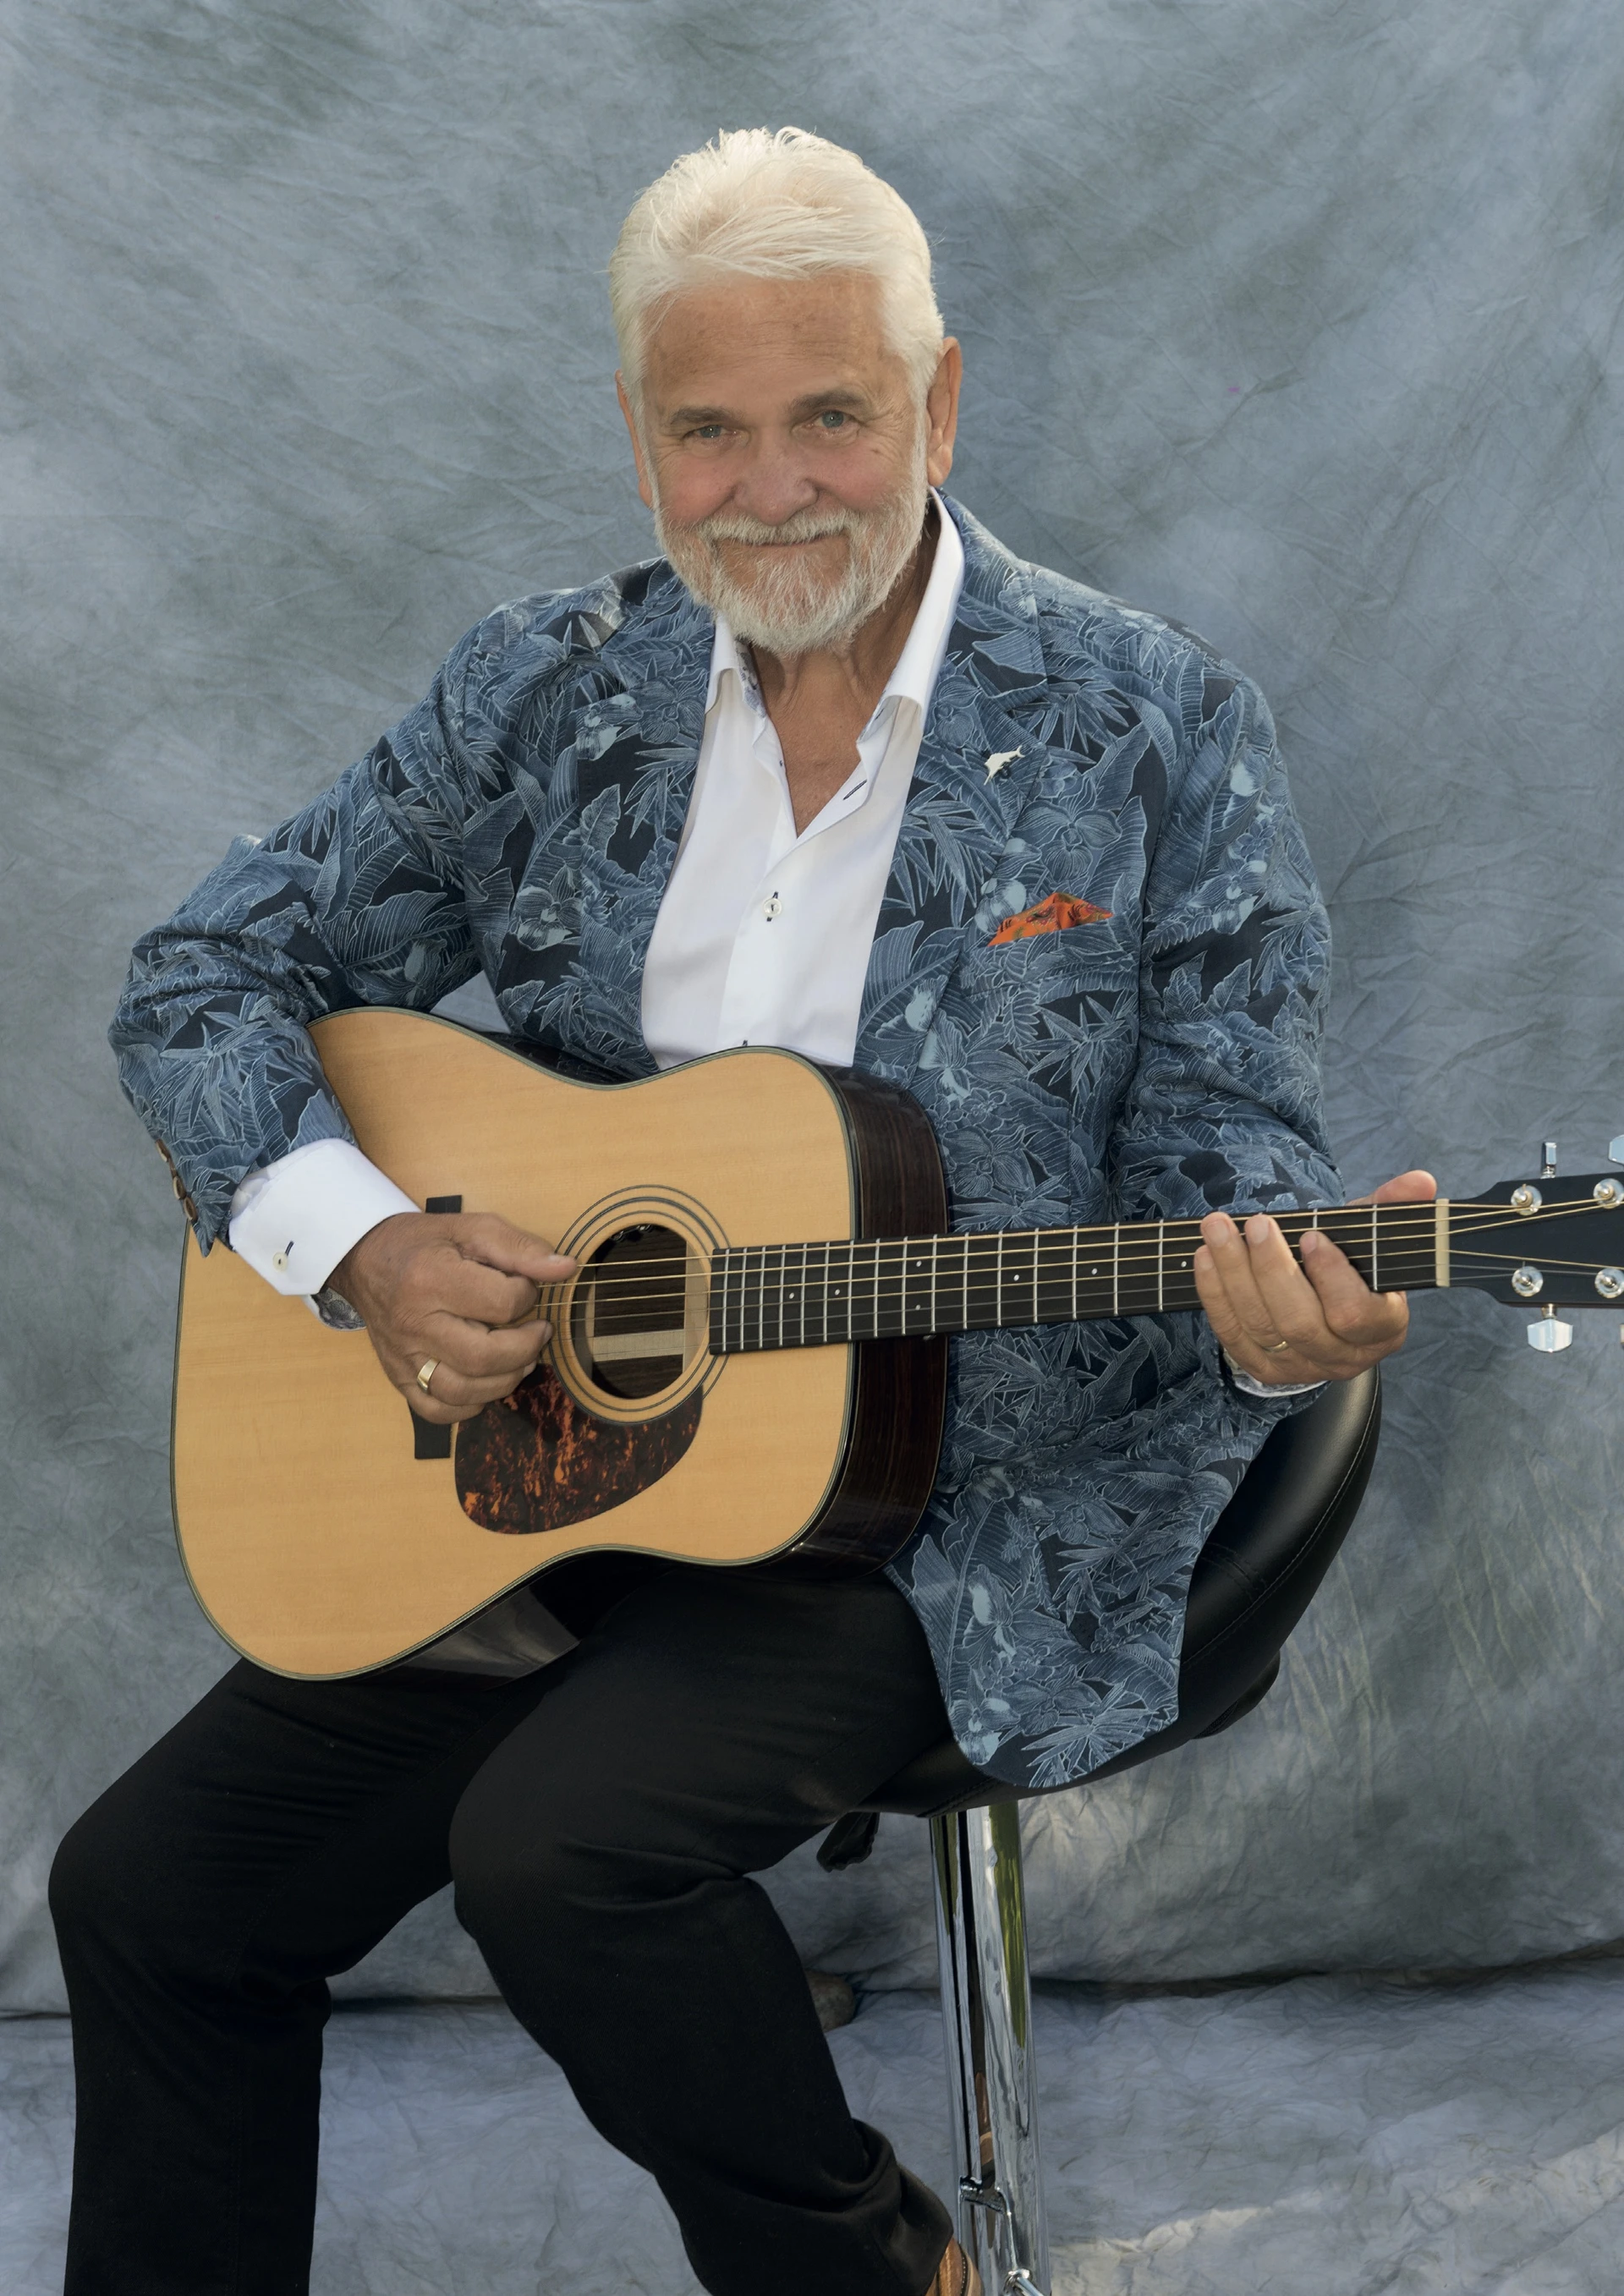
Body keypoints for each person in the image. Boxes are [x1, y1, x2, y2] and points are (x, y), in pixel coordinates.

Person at [52, 128, 1426, 2296]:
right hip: (543, 1475)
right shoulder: (544, 690)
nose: (772, 487)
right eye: (709, 430)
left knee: (559, 1852)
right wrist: (364, 1241)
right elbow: (203, 974)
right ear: (638, 440)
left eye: (832, 416)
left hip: (960, 1490)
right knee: (150, 1893)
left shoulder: (1156, 727)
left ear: (939, 405)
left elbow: (1227, 1173)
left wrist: (1282, 1311)